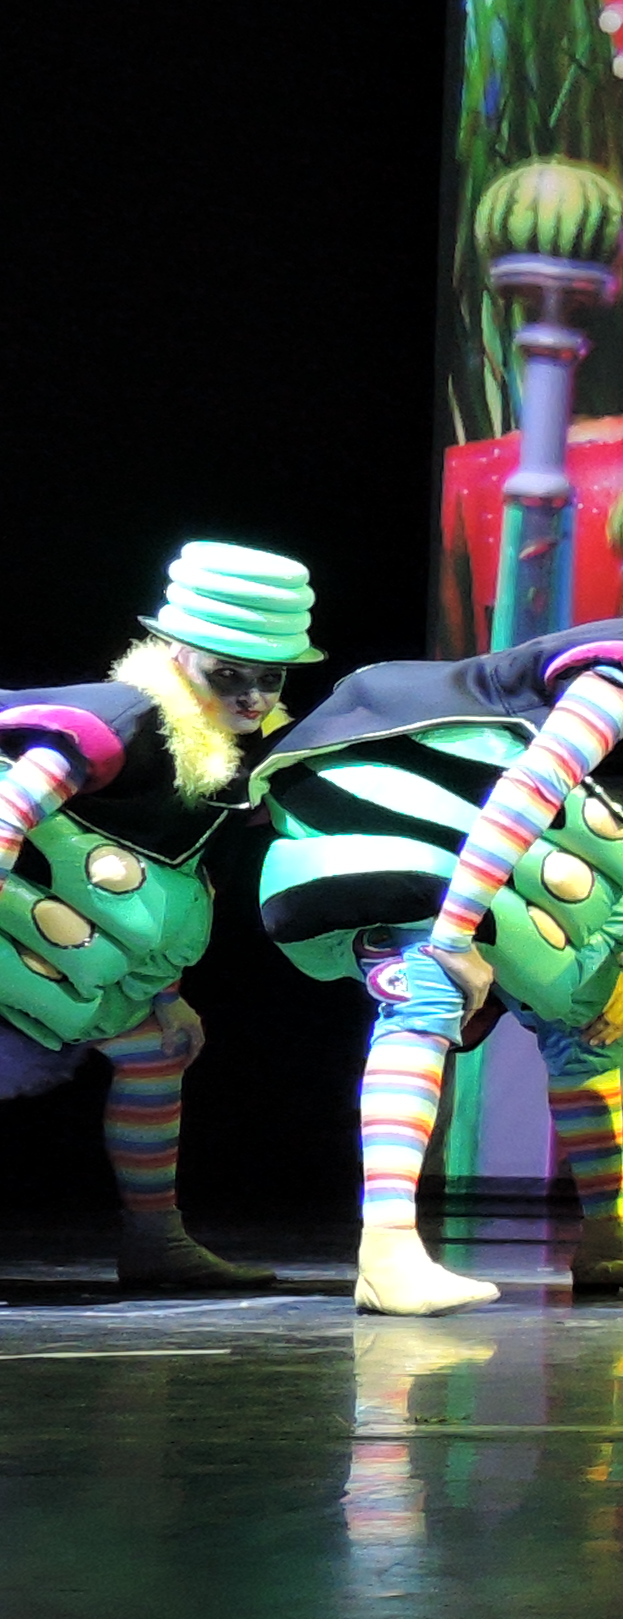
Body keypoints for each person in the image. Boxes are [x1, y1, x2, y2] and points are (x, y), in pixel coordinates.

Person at [258, 513, 623, 1316]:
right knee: (428, 992)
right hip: (411, 817)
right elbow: (530, 786)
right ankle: (387, 1249)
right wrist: (454, 935)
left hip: (493, 857)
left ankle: (612, 1238)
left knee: (585, 1033)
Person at [2, 544, 321, 1289]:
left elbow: (175, 879)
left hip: (72, 958)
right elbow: (12, 810)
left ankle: (155, 1239)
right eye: (229, 675)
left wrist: (166, 996)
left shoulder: (233, 759)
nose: (253, 698)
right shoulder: (122, 721)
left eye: (270, 679)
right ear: (176, 655)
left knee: (156, 1049)